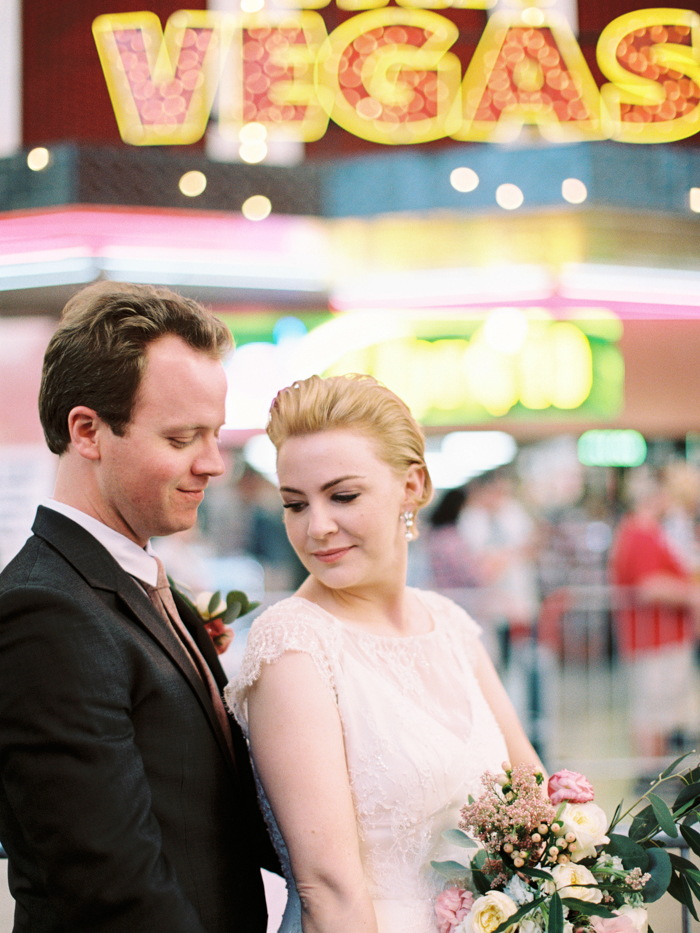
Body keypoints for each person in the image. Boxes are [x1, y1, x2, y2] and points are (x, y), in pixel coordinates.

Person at [0, 281, 277, 933]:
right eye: (183, 437)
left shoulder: (143, 581)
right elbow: (112, 888)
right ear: (88, 430)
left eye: (214, 433)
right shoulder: (46, 609)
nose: (212, 462)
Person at [226, 373, 544, 933]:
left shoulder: (450, 626)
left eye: (343, 496)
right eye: (295, 504)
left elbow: (536, 800)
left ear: (412, 486)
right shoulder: (294, 646)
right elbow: (328, 888)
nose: (317, 527)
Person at [609, 465, 700, 759]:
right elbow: (649, 586)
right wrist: (690, 595)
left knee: (659, 710)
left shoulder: (645, 532)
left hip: (660, 637)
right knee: (653, 711)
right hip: (654, 638)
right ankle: (652, 773)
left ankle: (656, 770)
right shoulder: (641, 534)